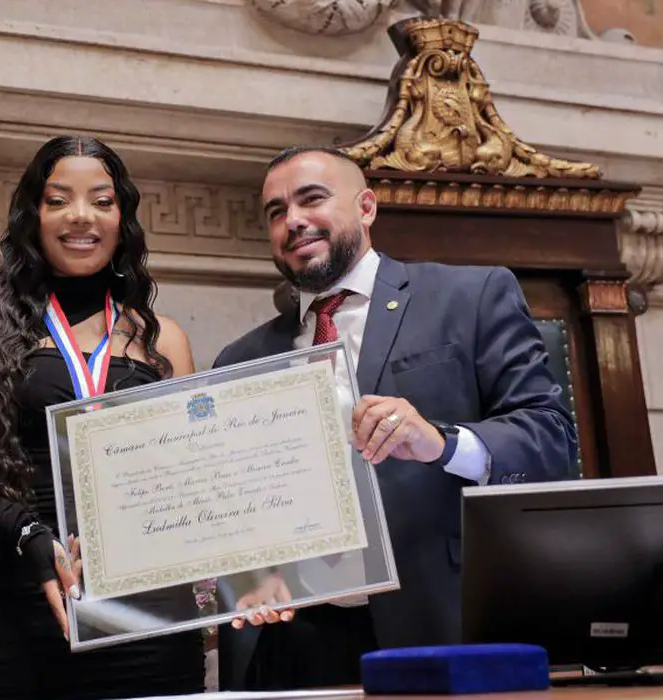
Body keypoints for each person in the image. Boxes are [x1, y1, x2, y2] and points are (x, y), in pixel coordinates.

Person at [214, 146, 578, 690]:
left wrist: (444, 443)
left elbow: (552, 440)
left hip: (442, 626)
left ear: (366, 207)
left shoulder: (470, 297)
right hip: (294, 644)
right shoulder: (240, 361)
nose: (293, 220)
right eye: (275, 212)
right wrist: (248, 573)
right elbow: (233, 512)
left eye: (312, 199)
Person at [0, 135, 206, 699]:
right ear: (32, 216)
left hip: (148, 609)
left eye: (102, 201)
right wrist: (22, 530)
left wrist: (223, 588)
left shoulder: (162, 339)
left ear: (123, 218)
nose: (81, 216)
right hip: (17, 600)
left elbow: (193, 485)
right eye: (59, 199)